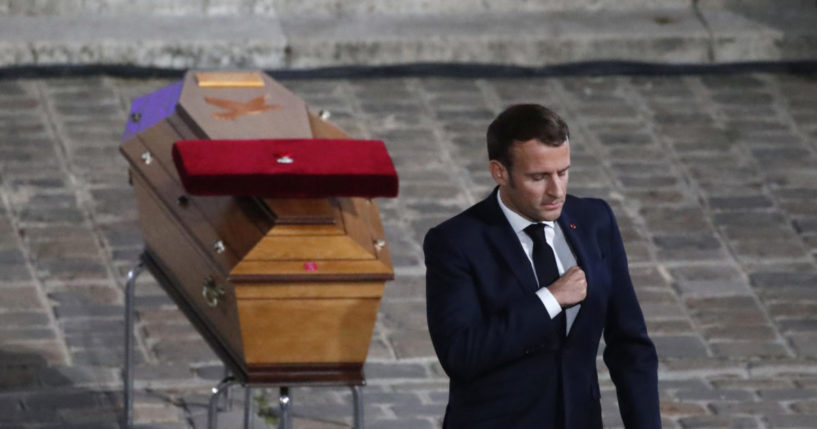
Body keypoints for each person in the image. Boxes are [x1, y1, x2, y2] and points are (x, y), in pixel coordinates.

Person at [424, 104, 660, 428]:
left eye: (563, 172)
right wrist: (550, 299)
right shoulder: (456, 242)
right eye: (539, 177)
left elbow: (630, 346)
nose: (557, 190)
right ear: (500, 172)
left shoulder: (595, 221)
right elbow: (462, 354)